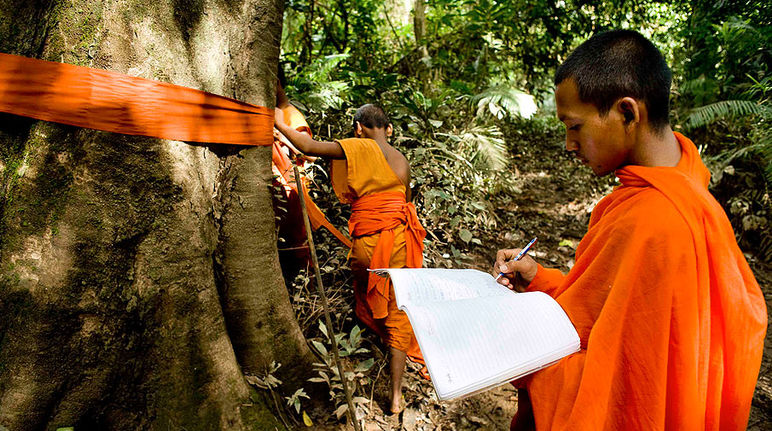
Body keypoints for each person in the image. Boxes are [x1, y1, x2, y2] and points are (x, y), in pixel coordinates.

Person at [495, 30, 766, 431]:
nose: (569, 145)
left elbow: (622, 394)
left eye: (574, 127)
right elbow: (607, 312)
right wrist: (541, 280)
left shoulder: (652, 223)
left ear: (627, 113)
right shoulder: (688, 188)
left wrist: (522, 356)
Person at [274, 103, 426, 414]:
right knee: (398, 313)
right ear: (390, 129)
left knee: (366, 295)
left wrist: (278, 122)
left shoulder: (357, 146)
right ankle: (396, 395)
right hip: (398, 242)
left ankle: (361, 361)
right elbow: (405, 204)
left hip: (367, 245)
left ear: (358, 128)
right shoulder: (402, 160)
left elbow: (305, 145)